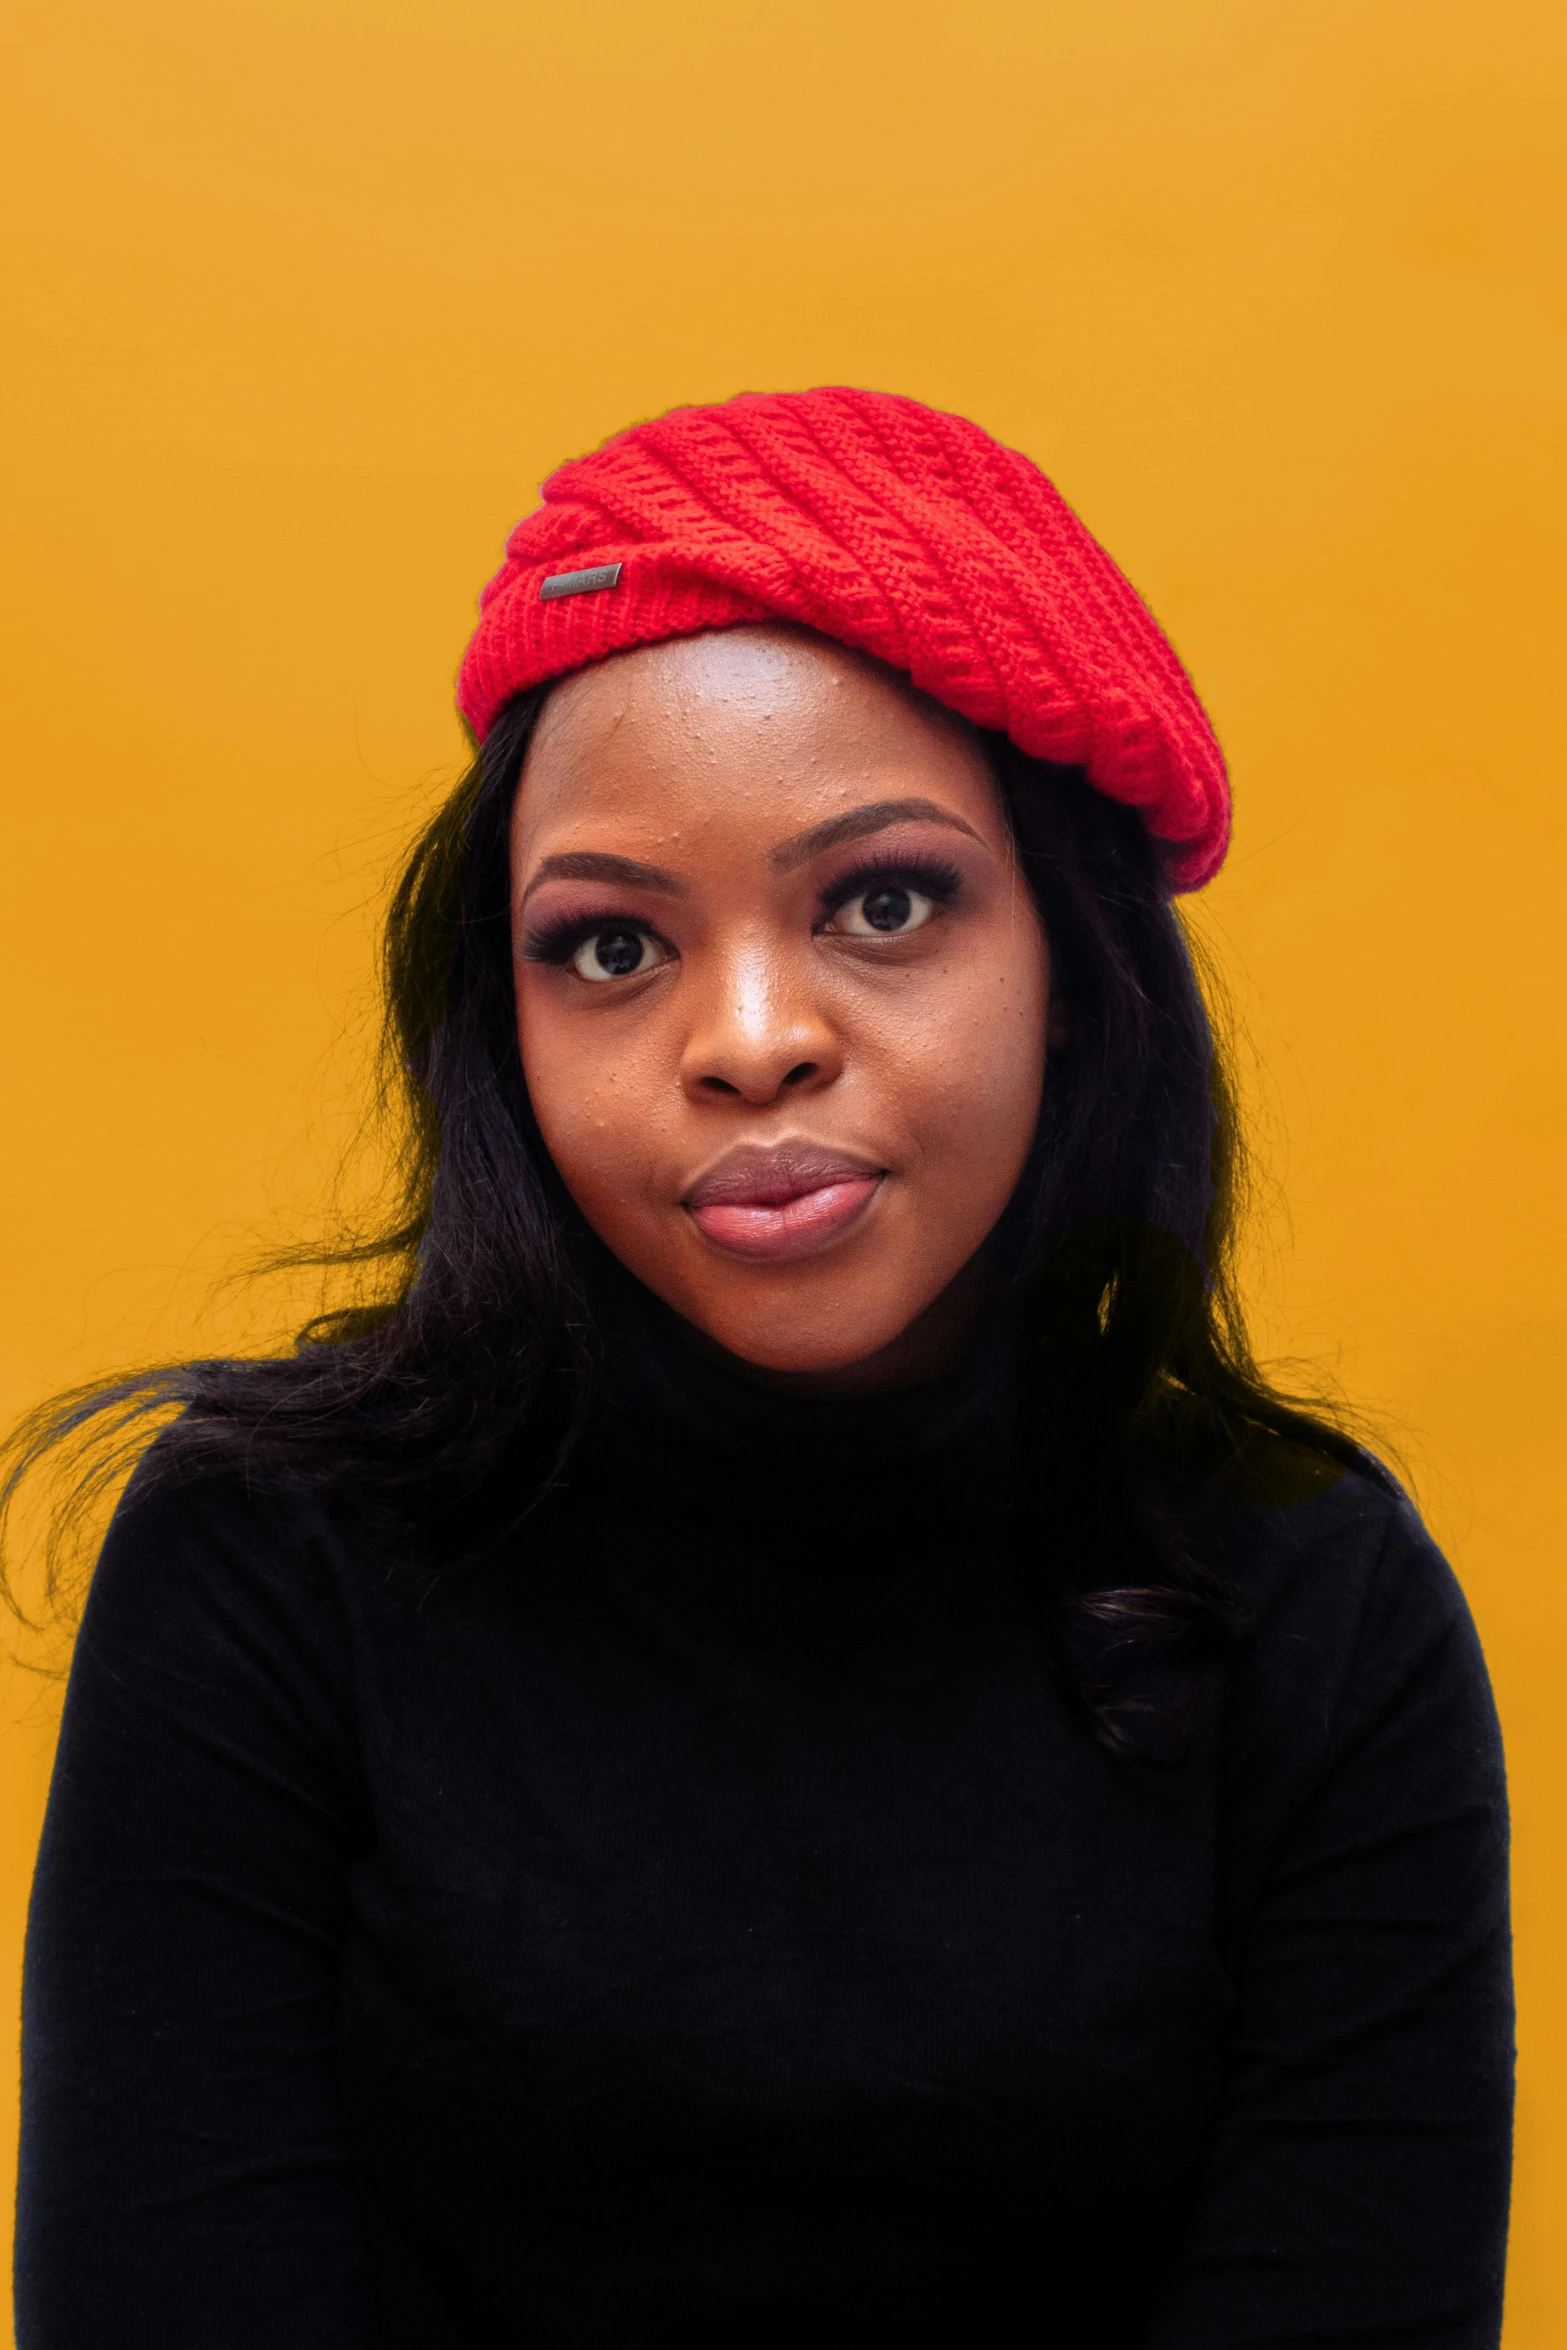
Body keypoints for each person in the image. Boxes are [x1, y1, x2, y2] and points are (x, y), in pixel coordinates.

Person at [8, 388, 1512, 2348]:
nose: (748, 1036)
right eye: (612, 946)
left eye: (883, 902)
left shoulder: (1316, 1600)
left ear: (1070, 964)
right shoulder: (267, 1559)